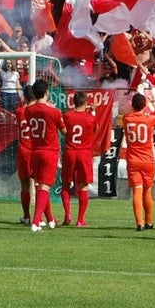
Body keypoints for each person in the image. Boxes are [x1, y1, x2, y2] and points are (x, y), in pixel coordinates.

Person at [26, 79, 66, 232]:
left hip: (35, 150)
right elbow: (64, 132)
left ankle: (49, 219)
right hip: (49, 151)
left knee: (40, 186)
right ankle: (36, 221)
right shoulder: (53, 111)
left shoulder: (29, 110)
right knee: (44, 186)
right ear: (47, 92)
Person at [122, 93, 155, 231]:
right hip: (148, 159)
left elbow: (127, 113)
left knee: (137, 192)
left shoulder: (126, 119)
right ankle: (149, 222)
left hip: (133, 160)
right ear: (145, 105)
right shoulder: (149, 119)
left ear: (132, 105)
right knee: (147, 192)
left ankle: (139, 223)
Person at [61, 92, 98, 227]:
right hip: (84, 153)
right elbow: (95, 129)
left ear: (74, 102)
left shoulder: (67, 116)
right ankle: (80, 220)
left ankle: (67, 215)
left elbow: (63, 129)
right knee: (83, 186)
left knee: (65, 184)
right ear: (85, 103)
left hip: (70, 152)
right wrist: (93, 112)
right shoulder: (90, 118)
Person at [15, 85, 36, 225]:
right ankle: (42, 217)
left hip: (23, 151)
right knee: (42, 185)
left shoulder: (19, 112)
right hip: (36, 150)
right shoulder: (40, 111)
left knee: (24, 184)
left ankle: (26, 216)